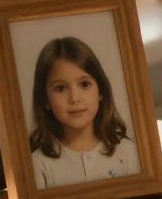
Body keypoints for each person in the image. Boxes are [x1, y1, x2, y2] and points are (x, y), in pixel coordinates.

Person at [29, 36, 141, 189]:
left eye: (84, 84)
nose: (74, 98)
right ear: (45, 100)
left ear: (101, 90)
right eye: (61, 88)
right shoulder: (38, 165)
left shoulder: (127, 152)